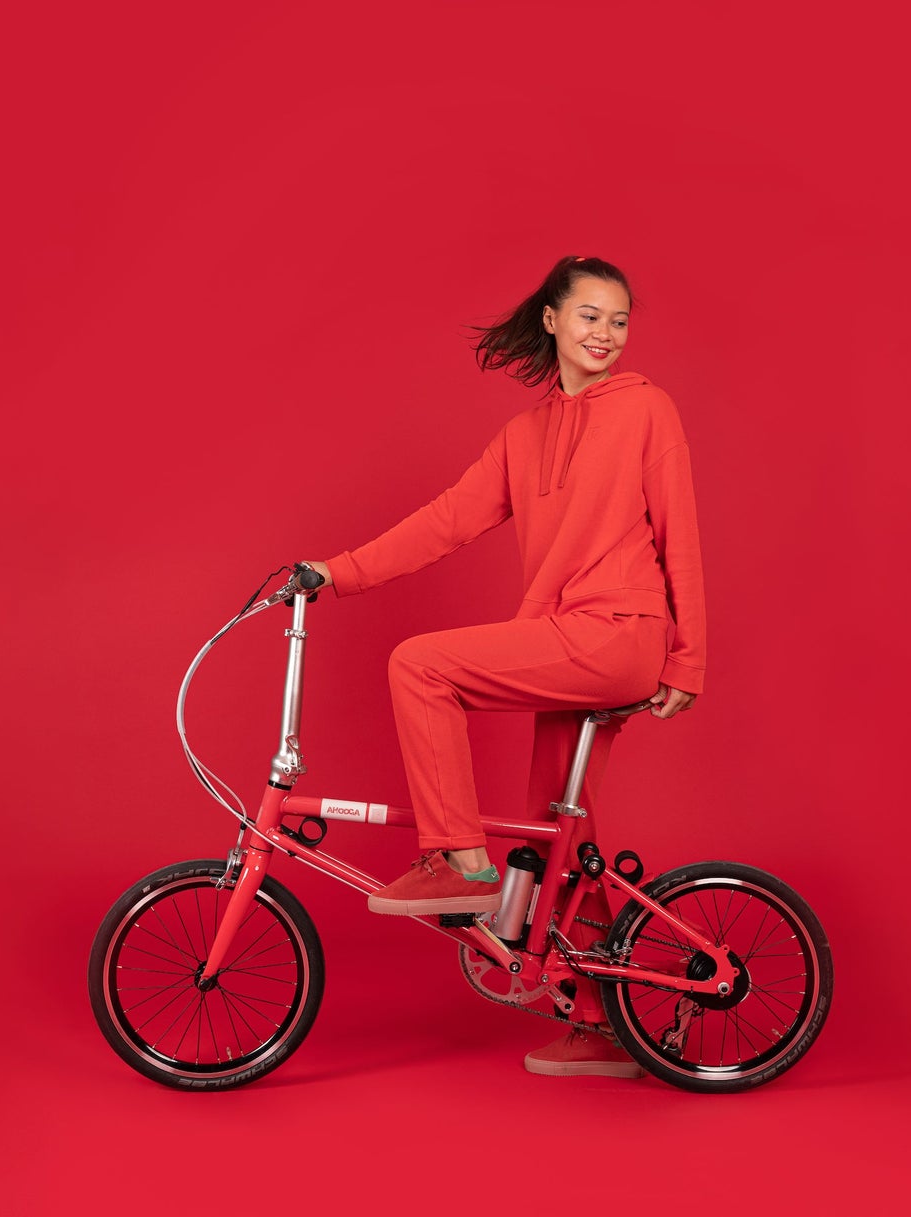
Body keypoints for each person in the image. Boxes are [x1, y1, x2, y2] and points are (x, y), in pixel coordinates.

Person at [301, 254, 705, 1078]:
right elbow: (445, 521)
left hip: (618, 632)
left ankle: (460, 859)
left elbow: (681, 530)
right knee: (561, 829)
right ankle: (601, 1024)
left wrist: (688, 657)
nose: (606, 333)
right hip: (566, 636)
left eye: (619, 320)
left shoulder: (646, 409)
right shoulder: (524, 437)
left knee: (420, 665)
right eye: (590, 315)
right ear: (553, 320)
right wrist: (336, 573)